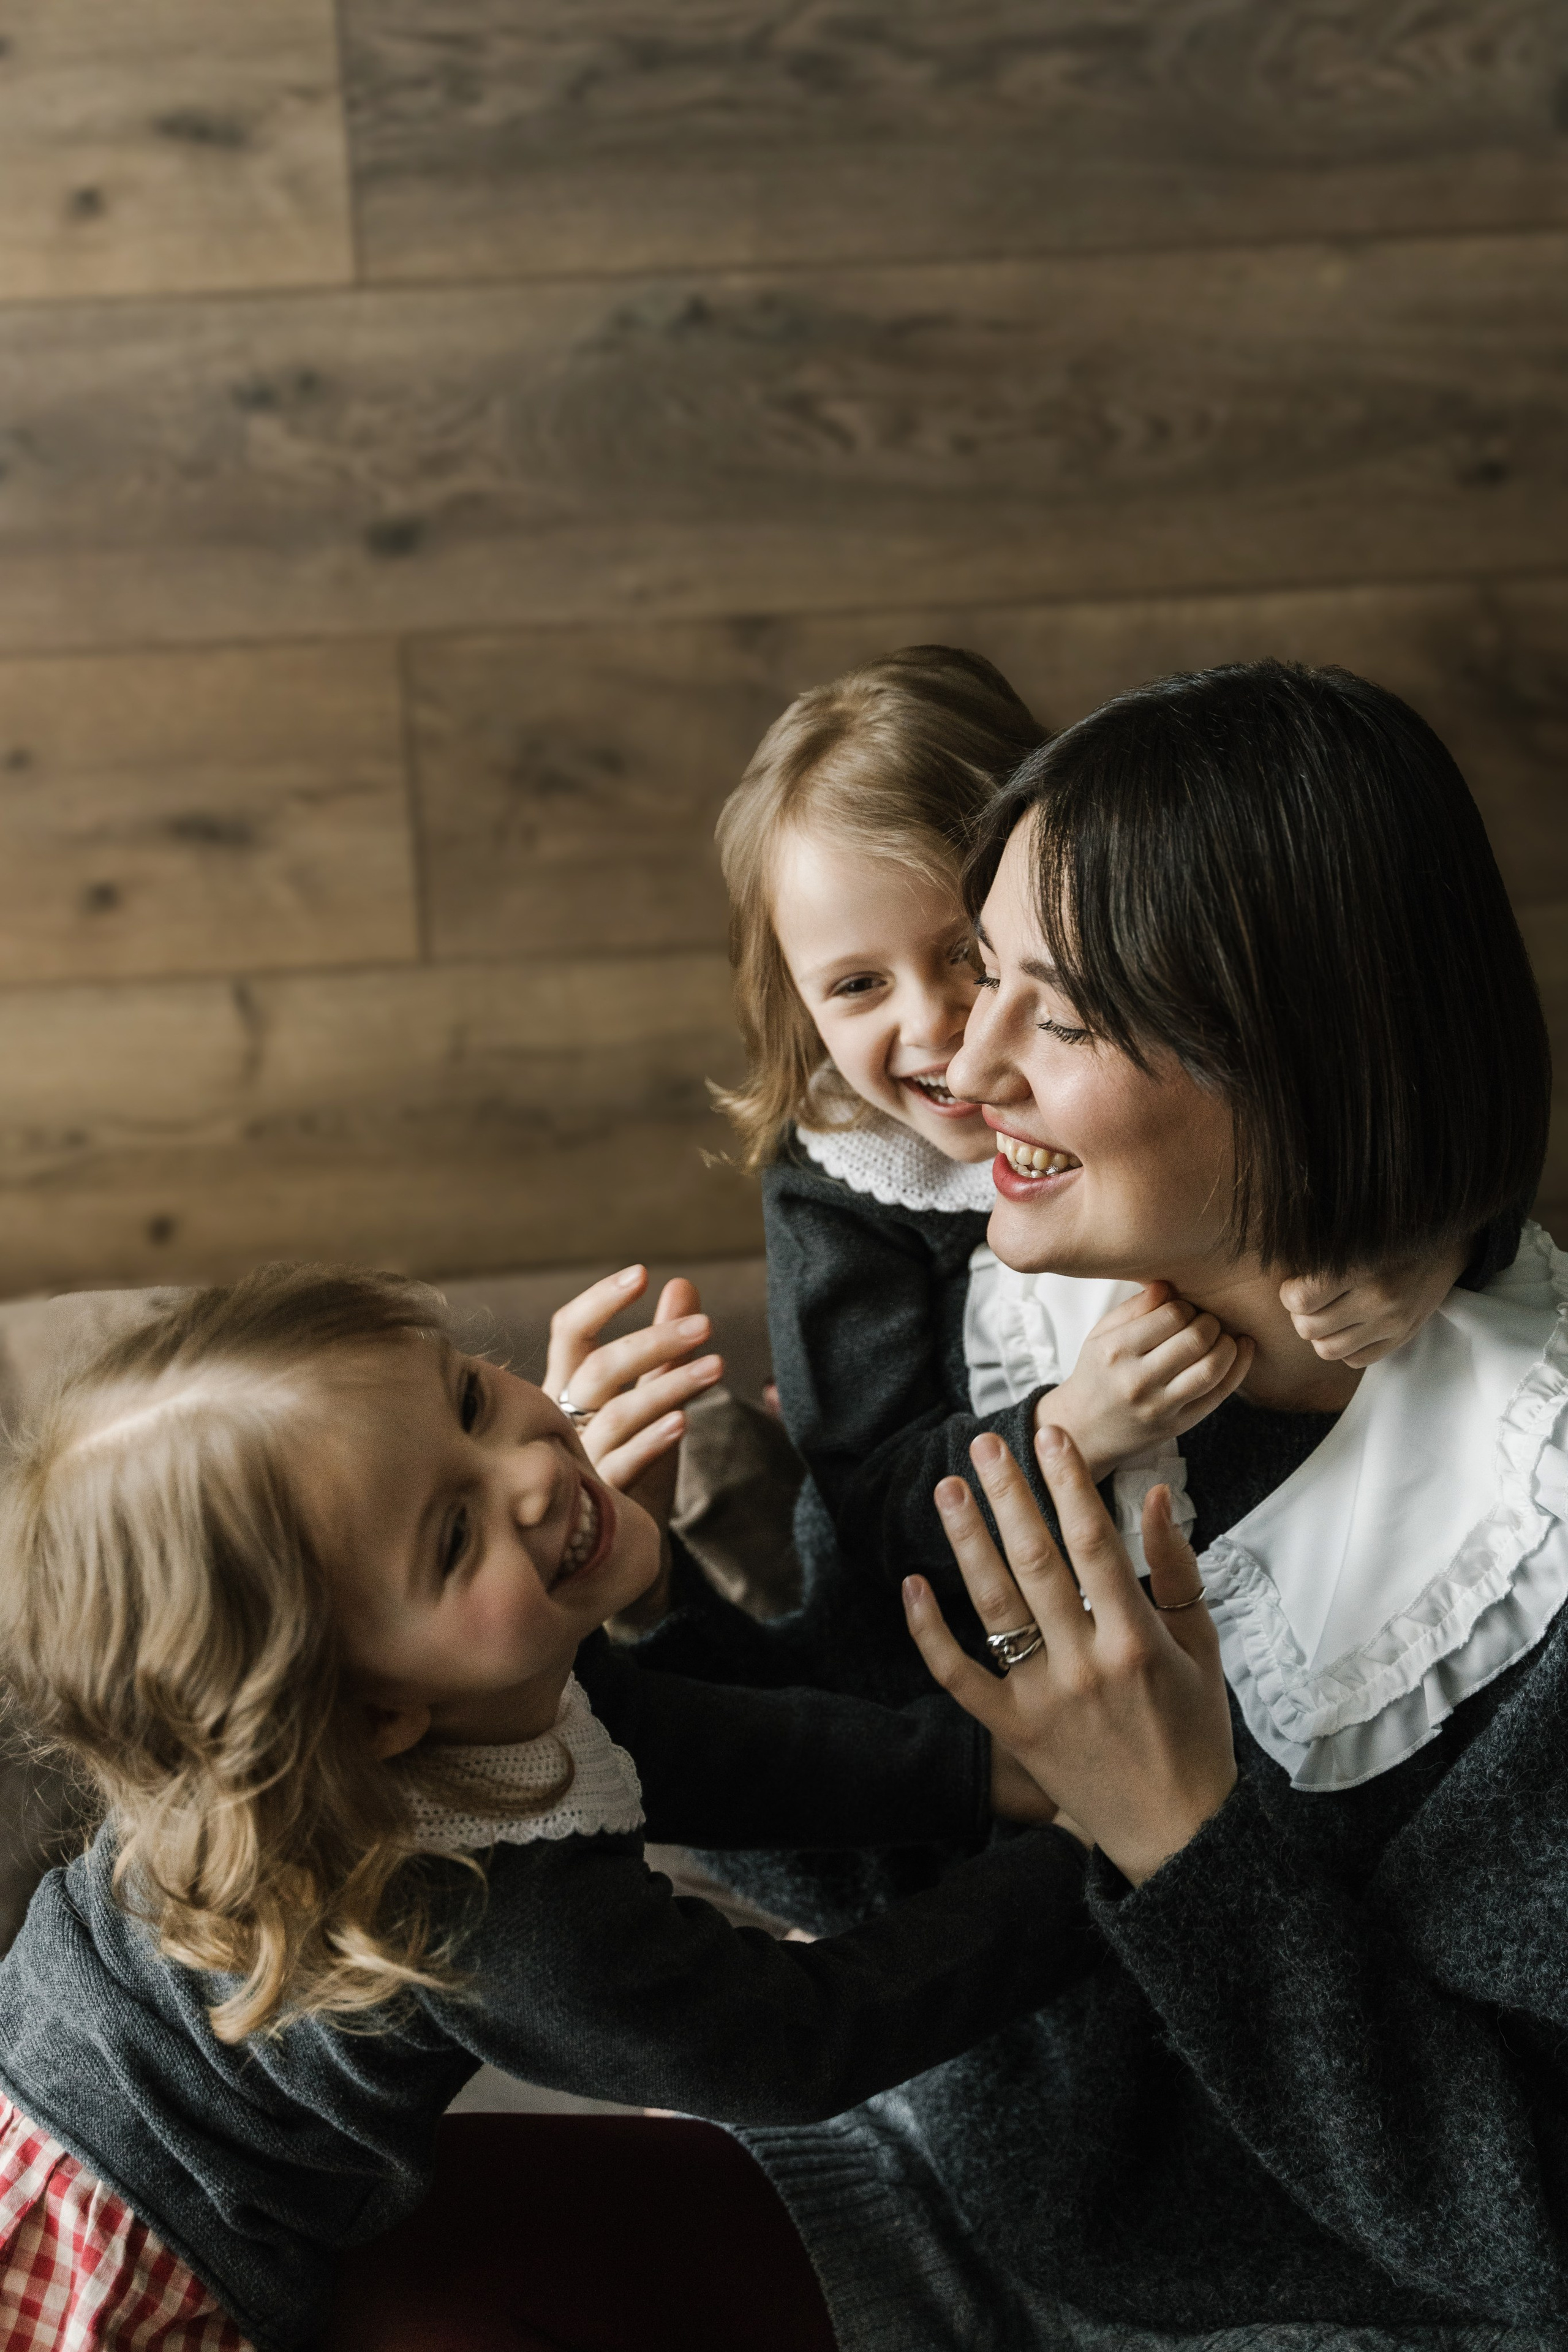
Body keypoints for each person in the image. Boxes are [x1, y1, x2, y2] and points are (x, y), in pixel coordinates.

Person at [717, 658, 1566, 2350]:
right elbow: (873, 1827)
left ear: (1298, 1058)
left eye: (1060, 1012)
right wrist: (643, 1597)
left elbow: (1524, 2226)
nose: (964, 1058)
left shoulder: (1512, 1537)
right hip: (915, 2146)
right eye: (986, 974)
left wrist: (1185, 1838)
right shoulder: (1025, 1321)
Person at [0, 1265, 1095, 2351]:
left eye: (470, 1402)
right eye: (451, 1540)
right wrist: (1096, 1853)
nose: (530, 1469)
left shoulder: (469, 1687)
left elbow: (685, 1742)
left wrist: (976, 1767)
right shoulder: (502, 1926)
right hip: (132, 2264)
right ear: (375, 1719)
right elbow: (798, 2042)